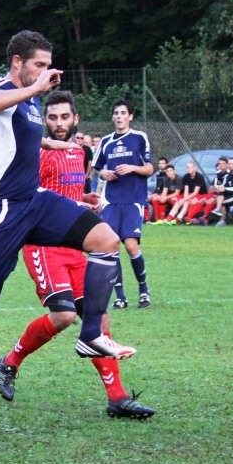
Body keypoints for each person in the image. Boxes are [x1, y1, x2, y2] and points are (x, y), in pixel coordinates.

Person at [0, 30, 136, 412]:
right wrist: (35, 87)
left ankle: (91, 335)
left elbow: (16, 135)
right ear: (18, 62)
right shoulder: (2, 87)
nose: (45, 72)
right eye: (39, 64)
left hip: (33, 200)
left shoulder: (30, 101)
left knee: (105, 239)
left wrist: (48, 142)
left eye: (48, 65)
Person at [0, 90, 154, 418]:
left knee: (99, 320)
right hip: (43, 245)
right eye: (52, 117)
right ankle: (9, 362)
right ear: (44, 120)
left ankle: (117, 399)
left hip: (75, 246)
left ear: (75, 119)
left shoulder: (80, 152)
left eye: (65, 117)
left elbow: (64, 193)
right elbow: (30, 196)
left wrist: (83, 199)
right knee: (65, 316)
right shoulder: (36, 153)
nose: (59, 123)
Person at [93, 99, 154, 309]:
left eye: (123, 113)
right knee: (111, 246)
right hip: (111, 201)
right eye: (116, 113)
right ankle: (120, 296)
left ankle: (144, 290)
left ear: (130, 116)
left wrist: (132, 168)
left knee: (130, 245)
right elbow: (98, 168)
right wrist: (104, 173)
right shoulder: (106, 141)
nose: (119, 116)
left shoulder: (139, 138)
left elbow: (150, 169)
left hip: (133, 199)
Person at [163, 161, 207, 225]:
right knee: (179, 202)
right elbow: (186, 190)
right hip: (190, 195)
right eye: (187, 167)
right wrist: (185, 198)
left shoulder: (199, 176)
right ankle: (169, 217)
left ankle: (179, 217)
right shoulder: (186, 176)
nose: (189, 169)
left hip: (200, 195)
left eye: (191, 167)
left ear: (195, 168)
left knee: (186, 202)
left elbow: (195, 192)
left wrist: (185, 199)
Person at [146, 157, 169, 221]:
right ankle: (146, 219)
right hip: (158, 194)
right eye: (159, 163)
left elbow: (167, 188)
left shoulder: (168, 174)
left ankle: (157, 218)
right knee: (145, 198)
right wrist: (154, 194)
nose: (161, 165)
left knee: (154, 198)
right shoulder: (159, 174)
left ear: (167, 164)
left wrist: (158, 195)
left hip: (165, 194)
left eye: (163, 163)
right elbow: (157, 187)